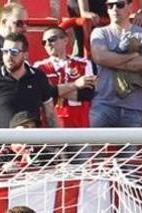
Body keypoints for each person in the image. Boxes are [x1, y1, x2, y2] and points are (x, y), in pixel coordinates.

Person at [0, 33, 58, 167]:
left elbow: (51, 114)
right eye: (5, 51)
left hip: (34, 152)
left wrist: (57, 148)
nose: (8, 56)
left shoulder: (39, 77)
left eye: (14, 52)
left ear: (26, 54)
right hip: (2, 153)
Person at [89, 0, 142, 128]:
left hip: (134, 107)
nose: (114, 9)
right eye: (110, 5)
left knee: (130, 148)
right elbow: (100, 57)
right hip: (103, 104)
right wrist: (132, 56)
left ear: (130, 6)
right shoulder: (99, 32)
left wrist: (111, 60)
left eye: (119, 4)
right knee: (90, 147)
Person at [34, 26, 96, 129]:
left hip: (79, 126)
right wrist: (75, 85)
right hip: (50, 127)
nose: (48, 44)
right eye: (44, 42)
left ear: (65, 40)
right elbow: (41, 94)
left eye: (52, 39)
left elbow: (86, 95)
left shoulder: (83, 64)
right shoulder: (39, 67)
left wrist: (54, 91)